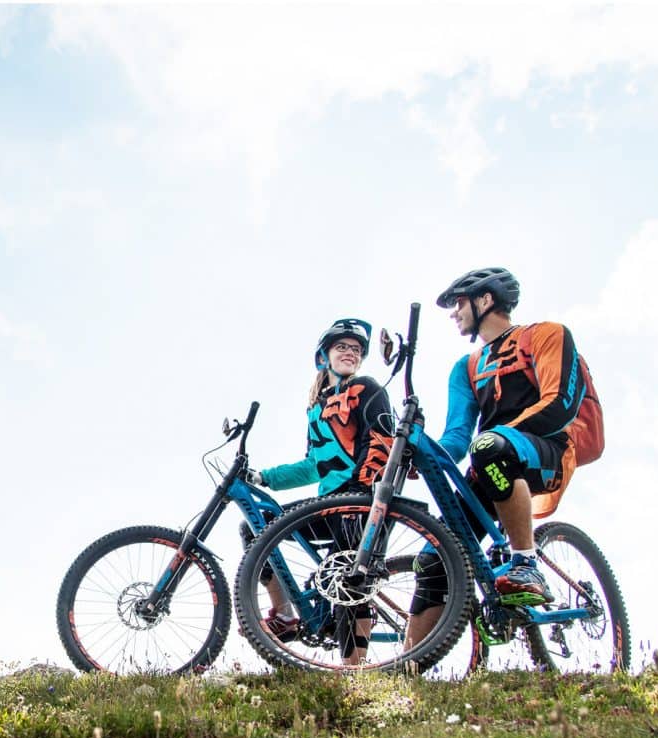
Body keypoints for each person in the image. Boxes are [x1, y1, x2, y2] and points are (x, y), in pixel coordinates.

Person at [406, 267, 590, 647]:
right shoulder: (466, 367)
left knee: (490, 448)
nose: (454, 312)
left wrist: (501, 434)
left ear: (485, 300)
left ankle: (526, 563)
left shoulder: (546, 334)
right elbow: (457, 438)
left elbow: (561, 402)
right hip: (486, 464)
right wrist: (418, 450)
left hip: (543, 451)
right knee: (432, 559)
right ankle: (405, 666)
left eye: (459, 303)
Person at [242, 319, 395, 663]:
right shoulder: (316, 409)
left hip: (361, 500)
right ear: (322, 358)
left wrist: (362, 490)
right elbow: (314, 464)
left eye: (356, 349)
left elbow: (383, 439)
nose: (350, 353)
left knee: (347, 583)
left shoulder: (367, 389)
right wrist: (263, 477)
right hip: (328, 504)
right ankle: (283, 614)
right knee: (256, 525)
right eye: (342, 346)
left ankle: (354, 671)